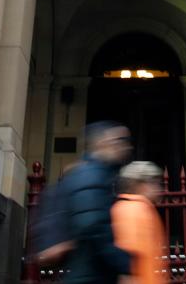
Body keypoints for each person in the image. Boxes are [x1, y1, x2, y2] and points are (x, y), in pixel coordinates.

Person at [60, 121, 133, 284]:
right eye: (118, 141)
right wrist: (125, 265)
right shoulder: (92, 176)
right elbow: (94, 226)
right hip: (90, 274)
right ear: (102, 143)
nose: (125, 148)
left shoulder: (102, 175)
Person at [111, 161, 168, 284]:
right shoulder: (137, 210)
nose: (159, 189)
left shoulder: (127, 207)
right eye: (155, 183)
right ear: (141, 185)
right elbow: (129, 260)